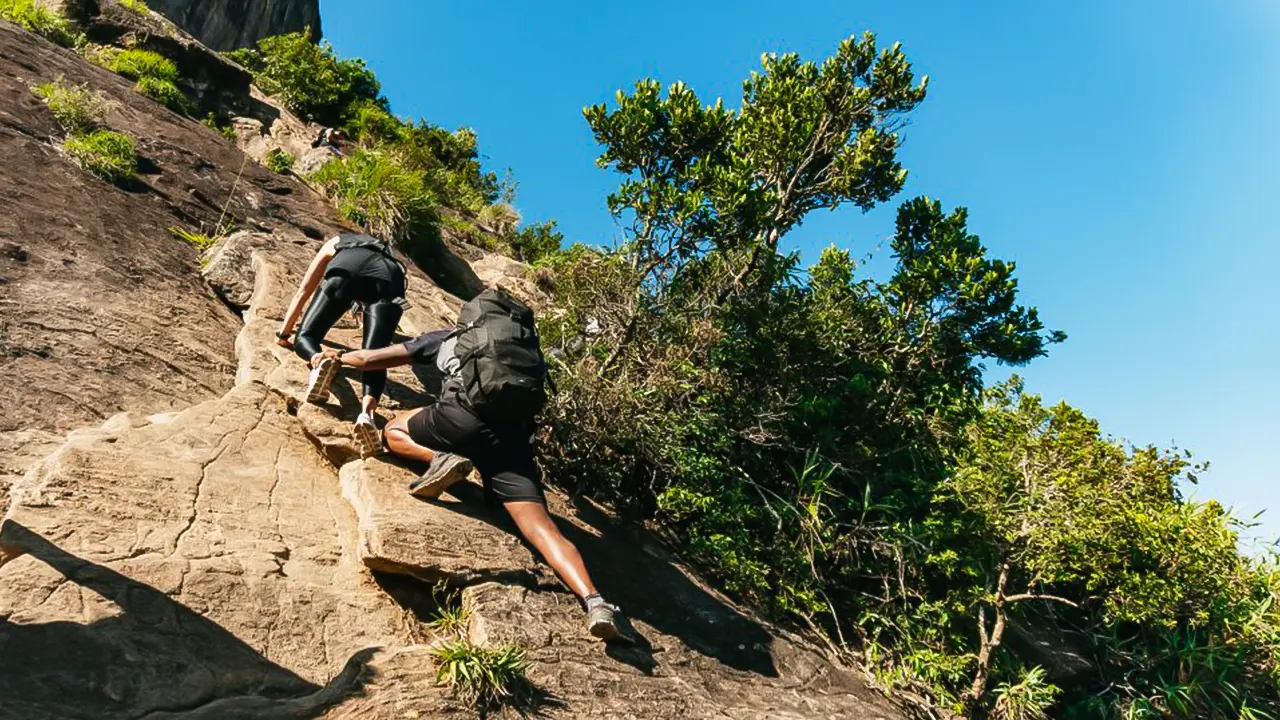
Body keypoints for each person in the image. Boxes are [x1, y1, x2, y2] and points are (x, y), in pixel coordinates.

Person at [329, 289, 624, 641]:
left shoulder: (448, 338)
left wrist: (338, 357)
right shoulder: (527, 355)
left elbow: (372, 359)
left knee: (393, 429)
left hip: (458, 419)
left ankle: (439, 459)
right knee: (542, 530)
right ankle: (595, 601)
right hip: (511, 442)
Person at [276, 233, 410, 457]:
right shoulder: (387, 253)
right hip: (389, 277)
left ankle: (318, 359)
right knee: (375, 356)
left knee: (307, 337)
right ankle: (366, 414)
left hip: (347, 268)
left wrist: (285, 333)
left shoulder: (337, 241)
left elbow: (304, 290)